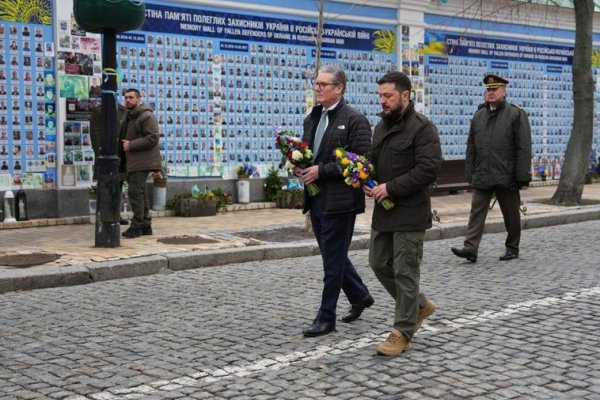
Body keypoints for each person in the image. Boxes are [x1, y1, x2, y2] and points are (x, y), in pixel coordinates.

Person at [364, 71, 441, 356]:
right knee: (378, 262)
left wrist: (392, 188)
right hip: (384, 212)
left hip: (409, 211)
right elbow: (374, 161)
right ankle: (419, 305)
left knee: (405, 272)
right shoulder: (381, 127)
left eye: (388, 96)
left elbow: (428, 169)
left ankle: (402, 331)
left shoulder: (423, 129)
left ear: (405, 96)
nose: (382, 101)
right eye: (380, 95)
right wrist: (364, 176)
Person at [297, 65, 374, 337]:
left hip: (341, 202)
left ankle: (326, 317)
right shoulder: (312, 117)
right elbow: (310, 153)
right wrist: (300, 163)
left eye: (323, 84)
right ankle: (360, 295)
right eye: (316, 83)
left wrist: (322, 170)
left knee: (332, 261)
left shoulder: (354, 119)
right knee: (334, 255)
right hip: (316, 198)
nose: (317, 87)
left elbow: (364, 162)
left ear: (339, 88)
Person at [451, 74, 532, 263]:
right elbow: (471, 146)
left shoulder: (515, 114)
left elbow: (523, 147)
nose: (491, 93)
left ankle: (512, 247)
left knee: (511, 215)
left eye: (495, 89)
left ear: (504, 91)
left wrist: (521, 176)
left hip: (507, 175)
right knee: (476, 212)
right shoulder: (479, 115)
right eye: (488, 90)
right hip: (482, 174)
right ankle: (470, 248)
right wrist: (470, 172)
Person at [120, 88, 162, 238]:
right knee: (140, 192)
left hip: (142, 160)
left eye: (131, 97)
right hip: (134, 160)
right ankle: (145, 225)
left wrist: (131, 145)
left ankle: (137, 225)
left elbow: (153, 138)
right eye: (125, 97)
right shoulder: (129, 116)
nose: (128, 100)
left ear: (138, 99)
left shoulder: (146, 115)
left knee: (134, 192)